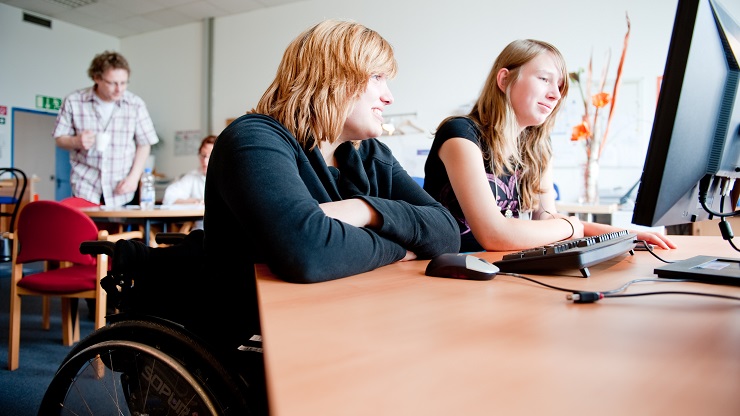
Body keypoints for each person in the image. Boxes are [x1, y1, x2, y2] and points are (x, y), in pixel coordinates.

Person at [202, 18, 460, 343]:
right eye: (377, 77)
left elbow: (447, 233)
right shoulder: (254, 138)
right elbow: (308, 253)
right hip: (258, 338)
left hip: (345, 319)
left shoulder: (369, 153)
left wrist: (364, 210)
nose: (389, 97)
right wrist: (401, 247)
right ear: (333, 76)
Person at [423, 39, 675, 252]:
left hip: (497, 270)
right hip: (450, 270)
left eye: (560, 86)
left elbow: (546, 218)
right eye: (545, 79)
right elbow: (493, 234)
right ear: (504, 80)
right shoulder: (461, 135)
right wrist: (572, 227)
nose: (556, 94)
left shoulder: (537, 147)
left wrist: (624, 234)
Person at [53, 50, 159, 207]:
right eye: (112, 83)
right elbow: (59, 138)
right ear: (96, 78)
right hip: (85, 184)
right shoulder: (74, 101)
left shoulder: (135, 104)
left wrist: (134, 178)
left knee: (118, 231)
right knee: (87, 230)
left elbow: (145, 143)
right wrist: (76, 141)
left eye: (124, 83)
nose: (119, 89)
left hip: (121, 186)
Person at [162, 135, 215, 206]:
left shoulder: (228, 177)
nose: (205, 161)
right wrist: (197, 201)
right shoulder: (193, 176)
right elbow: (168, 198)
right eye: (203, 155)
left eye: (210, 156)